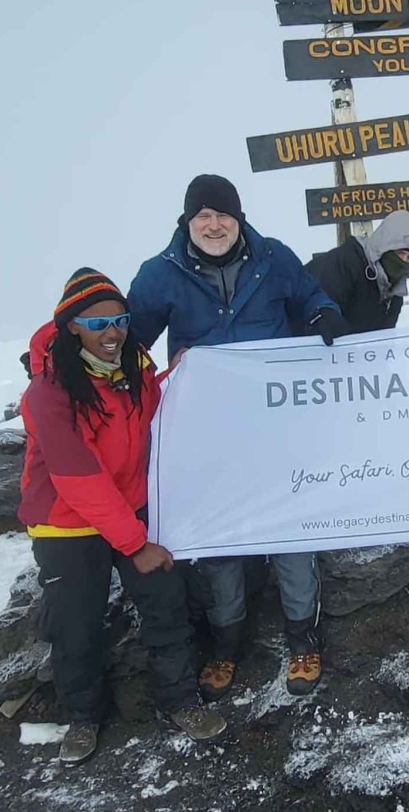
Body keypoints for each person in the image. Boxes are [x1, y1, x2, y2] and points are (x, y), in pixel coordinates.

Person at [128, 173, 349, 701]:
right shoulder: (160, 274)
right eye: (202, 215)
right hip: (209, 433)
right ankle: (226, 645)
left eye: (223, 214)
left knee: (289, 530)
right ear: (187, 221)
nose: (214, 224)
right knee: (221, 539)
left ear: (239, 218)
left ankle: (303, 640)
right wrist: (161, 372)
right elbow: (128, 340)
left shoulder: (273, 258)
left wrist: (325, 315)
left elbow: (310, 298)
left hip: (276, 426)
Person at [18, 268, 227, 763]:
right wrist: (136, 544)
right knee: (75, 625)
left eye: (120, 320)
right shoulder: (48, 393)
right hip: (66, 524)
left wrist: (176, 374)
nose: (111, 332)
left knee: (166, 605)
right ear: (71, 327)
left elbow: (152, 407)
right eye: (97, 324)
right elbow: (78, 479)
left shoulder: (132, 367)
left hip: (131, 507)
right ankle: (83, 717)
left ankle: (180, 701)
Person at [305, 210, 409, 333]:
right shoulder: (343, 265)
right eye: (399, 253)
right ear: (383, 248)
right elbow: (311, 304)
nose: (402, 261)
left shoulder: (395, 292)